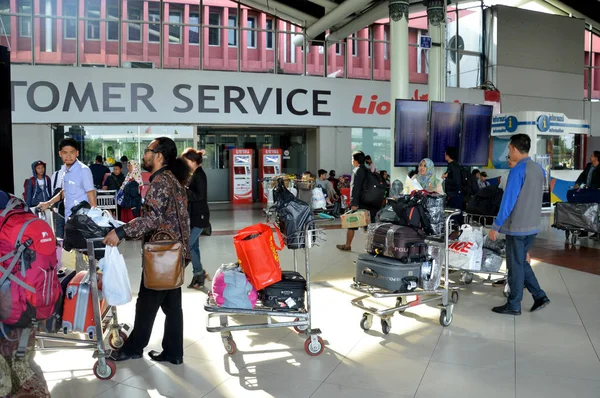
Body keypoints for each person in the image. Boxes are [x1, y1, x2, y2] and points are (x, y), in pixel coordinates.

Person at [104, 137, 191, 365]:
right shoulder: (173, 179)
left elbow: (152, 219)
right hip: (174, 253)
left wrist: (121, 232)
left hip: (162, 256)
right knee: (173, 307)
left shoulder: (162, 182)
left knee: (146, 305)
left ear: (159, 156)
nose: (144, 156)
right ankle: (174, 353)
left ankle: (133, 348)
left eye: (147, 151)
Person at [489, 134, 550, 316]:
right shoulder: (538, 169)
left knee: (515, 266)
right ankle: (539, 296)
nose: (509, 152)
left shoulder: (518, 171)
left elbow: (508, 201)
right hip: (533, 226)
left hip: (517, 227)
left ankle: (514, 304)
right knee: (521, 262)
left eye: (509, 149)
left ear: (515, 149)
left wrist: (496, 226)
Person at [38, 138, 97, 226]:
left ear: (77, 153)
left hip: (82, 220)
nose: (68, 156)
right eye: (65, 153)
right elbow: (65, 192)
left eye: (72, 152)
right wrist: (48, 203)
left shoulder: (83, 170)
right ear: (60, 154)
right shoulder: (64, 171)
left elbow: (91, 194)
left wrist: (94, 220)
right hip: (68, 218)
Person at [336, 151, 380, 251]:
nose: (352, 161)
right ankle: (374, 247)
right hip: (368, 201)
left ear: (356, 161)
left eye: (352, 159)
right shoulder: (367, 170)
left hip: (360, 202)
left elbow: (355, 188)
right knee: (368, 225)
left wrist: (353, 204)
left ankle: (348, 245)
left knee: (352, 224)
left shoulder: (358, 171)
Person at [181, 148, 211, 290]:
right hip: (194, 215)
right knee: (193, 247)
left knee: (188, 245)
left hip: (200, 216)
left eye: (186, 162)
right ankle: (199, 275)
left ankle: (199, 273)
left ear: (193, 162)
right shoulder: (194, 173)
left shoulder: (200, 175)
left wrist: (185, 190)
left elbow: (200, 196)